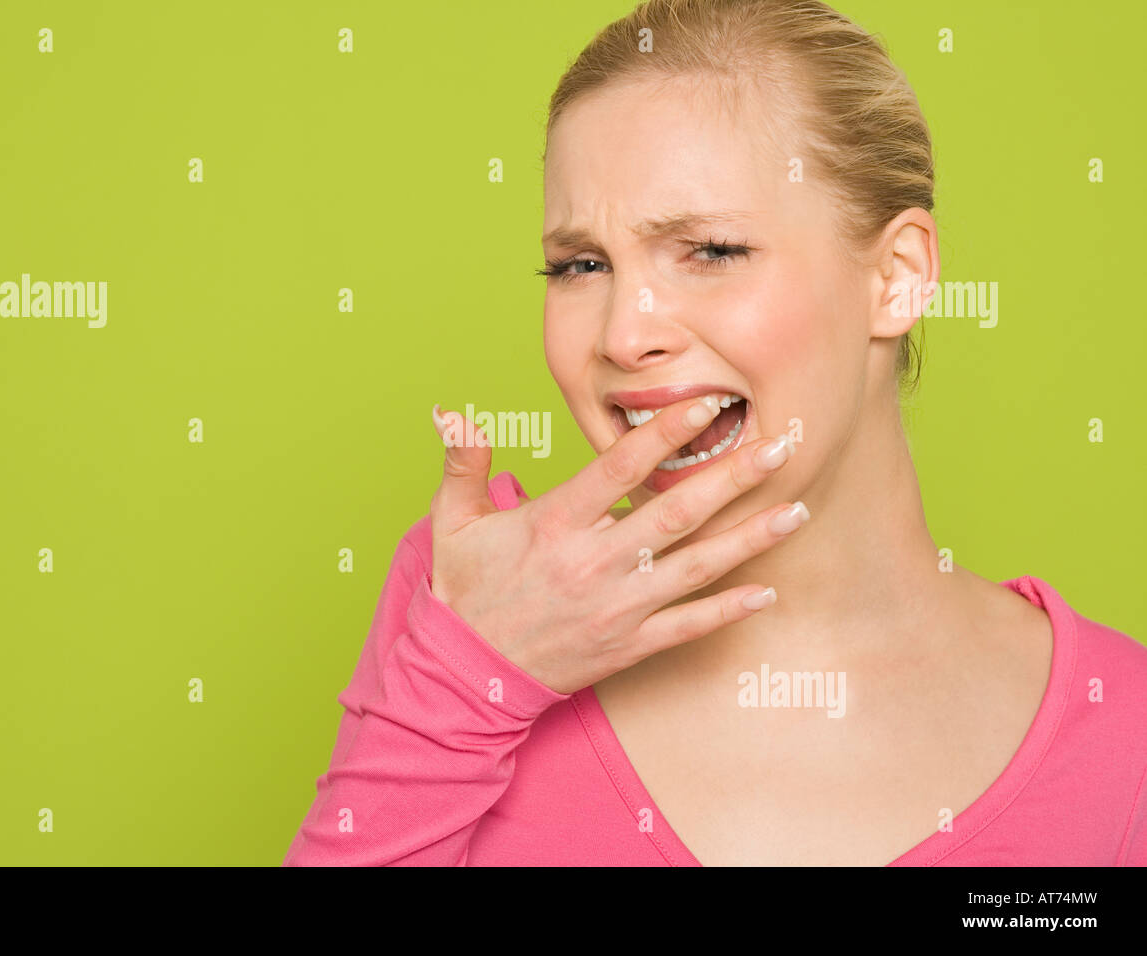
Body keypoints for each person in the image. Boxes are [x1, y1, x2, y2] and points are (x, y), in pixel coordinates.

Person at [284, 0, 1147, 865]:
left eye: (710, 250)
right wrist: (472, 676)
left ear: (896, 277)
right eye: (581, 265)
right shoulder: (475, 596)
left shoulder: (1124, 732)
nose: (625, 334)